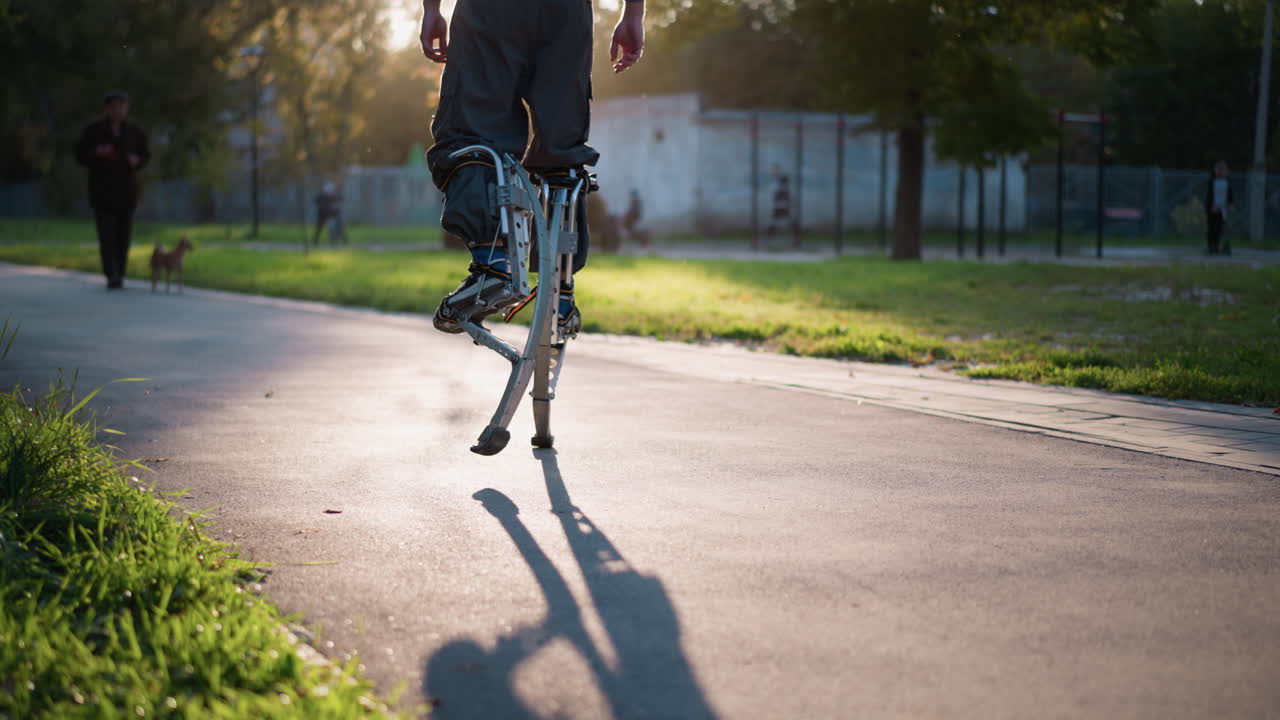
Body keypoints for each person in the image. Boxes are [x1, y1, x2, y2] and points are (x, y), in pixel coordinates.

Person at [419, 0, 645, 335]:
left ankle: (492, 264)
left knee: (471, 128)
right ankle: (561, 287)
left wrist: (431, 10)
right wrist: (633, 14)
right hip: (567, 14)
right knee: (561, 147)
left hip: (491, 12)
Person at [75, 90, 150, 289]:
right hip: (103, 192)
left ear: (126, 108)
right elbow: (80, 155)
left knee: (123, 237)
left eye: (122, 106)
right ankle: (111, 274)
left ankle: (121, 273)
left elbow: (145, 155)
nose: (118, 110)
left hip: (126, 192)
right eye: (114, 106)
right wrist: (96, 152)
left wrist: (137, 160)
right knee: (106, 236)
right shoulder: (94, 131)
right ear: (107, 109)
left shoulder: (134, 131)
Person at [1206, 161, 1233, 256]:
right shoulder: (1212, 181)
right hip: (1213, 208)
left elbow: (1229, 194)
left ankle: (1223, 246)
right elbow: (1210, 195)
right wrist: (1212, 206)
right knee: (1212, 227)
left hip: (1223, 208)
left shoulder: (1227, 181)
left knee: (1222, 228)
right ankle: (1212, 246)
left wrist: (1230, 204)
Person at [312, 182, 346, 246]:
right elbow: (316, 201)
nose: (329, 192)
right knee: (319, 227)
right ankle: (315, 241)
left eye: (330, 191)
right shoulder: (321, 196)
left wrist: (336, 207)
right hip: (323, 214)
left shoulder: (335, 196)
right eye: (327, 191)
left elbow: (341, 200)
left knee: (340, 226)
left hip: (333, 214)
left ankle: (344, 241)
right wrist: (322, 206)